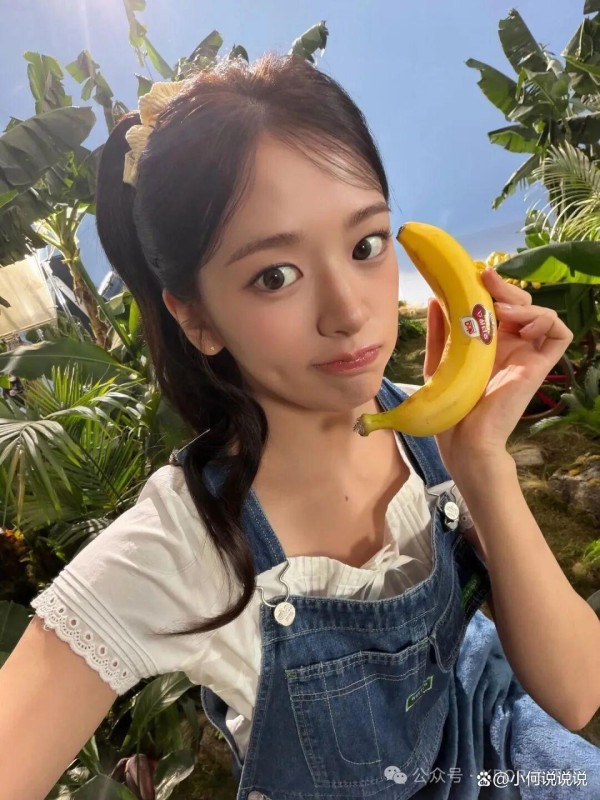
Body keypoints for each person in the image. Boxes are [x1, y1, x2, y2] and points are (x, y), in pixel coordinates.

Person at [1, 52, 599, 800]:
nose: (349, 312)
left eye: (366, 245)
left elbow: (578, 693)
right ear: (195, 317)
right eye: (274, 276)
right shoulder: (183, 544)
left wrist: (481, 461)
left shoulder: (433, 431)